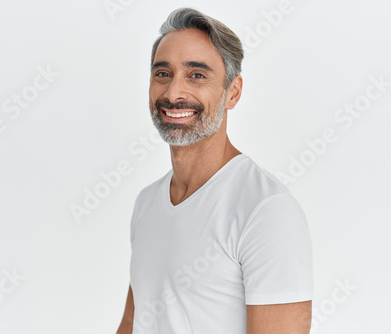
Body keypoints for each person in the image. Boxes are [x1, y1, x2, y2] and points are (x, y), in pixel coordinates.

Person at [117, 7, 313, 334]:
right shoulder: (148, 202)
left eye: (197, 75)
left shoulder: (266, 210)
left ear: (232, 92)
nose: (173, 93)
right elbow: (131, 324)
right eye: (162, 73)